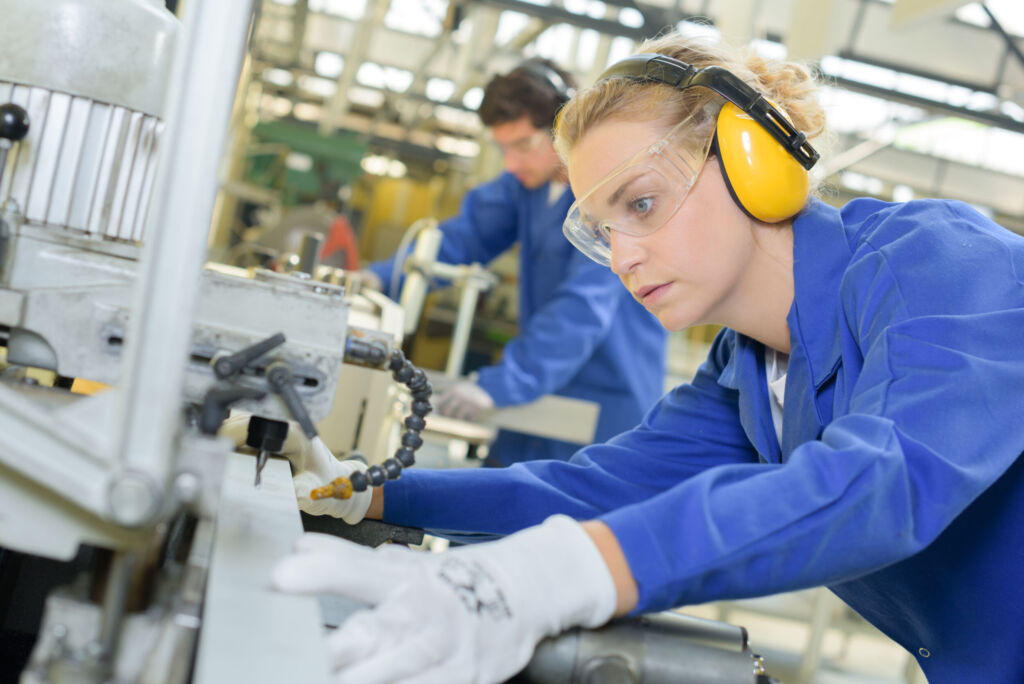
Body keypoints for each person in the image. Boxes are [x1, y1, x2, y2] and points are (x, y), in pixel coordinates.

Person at [270, 32, 1024, 684]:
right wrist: (368, 494)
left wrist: (561, 575)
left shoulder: (940, 262)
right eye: (602, 230)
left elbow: (880, 483)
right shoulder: (747, 371)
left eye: (641, 204)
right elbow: (599, 490)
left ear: (751, 159)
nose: (624, 257)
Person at [364, 59, 667, 465]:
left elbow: (580, 311)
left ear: (565, 127)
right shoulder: (525, 189)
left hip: (601, 404)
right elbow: (461, 238)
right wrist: (377, 279)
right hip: (534, 388)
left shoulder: (611, 199)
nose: (511, 163)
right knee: (493, 505)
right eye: (502, 148)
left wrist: (502, 384)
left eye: (523, 146)